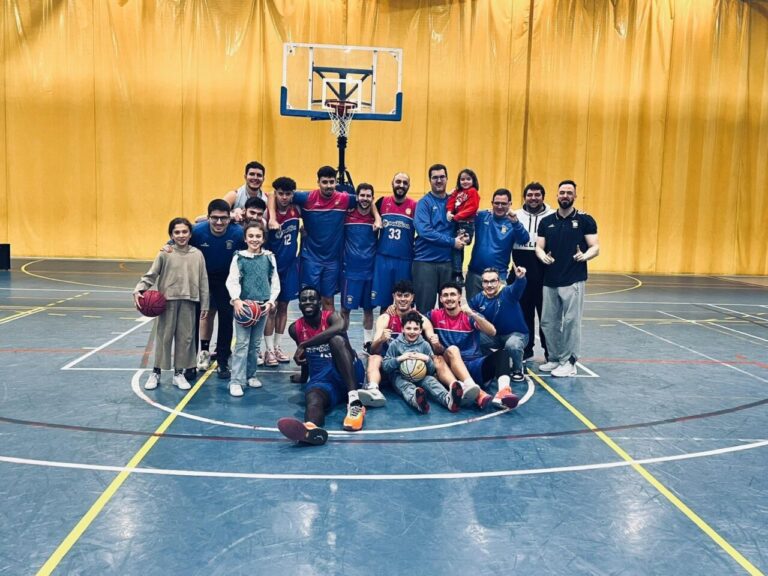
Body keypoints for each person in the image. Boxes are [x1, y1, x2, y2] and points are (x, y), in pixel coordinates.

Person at [268, 166, 380, 311]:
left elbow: (366, 200)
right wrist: (272, 218)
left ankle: (329, 333)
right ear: (318, 182)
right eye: (325, 182)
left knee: (328, 301)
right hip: (310, 259)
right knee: (309, 300)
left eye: (331, 182)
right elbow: (272, 194)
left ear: (335, 183)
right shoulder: (306, 198)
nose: (328, 186)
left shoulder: (344, 199)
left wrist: (377, 218)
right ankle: (309, 333)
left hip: (332, 261)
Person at [277, 286, 367, 446]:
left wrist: (305, 343)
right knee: (312, 398)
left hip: (348, 373)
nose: (307, 302)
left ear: (319, 302)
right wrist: (303, 378)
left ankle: (354, 402)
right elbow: (304, 358)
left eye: (312, 299)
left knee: (336, 340)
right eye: (303, 300)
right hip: (322, 379)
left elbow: (339, 328)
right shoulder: (295, 329)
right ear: (299, 305)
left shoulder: (332, 317)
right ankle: (310, 429)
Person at [134, 218, 209, 390]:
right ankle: (156, 372)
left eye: (184, 232)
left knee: (186, 339)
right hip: (166, 303)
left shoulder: (197, 254)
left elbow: (204, 281)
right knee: (163, 338)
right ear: (171, 235)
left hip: (189, 302)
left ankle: (178, 374)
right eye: (177, 232)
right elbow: (151, 275)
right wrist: (139, 289)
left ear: (190, 234)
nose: (181, 235)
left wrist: (205, 304)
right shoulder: (164, 253)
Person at [535, 180, 599, 377]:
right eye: (562, 192)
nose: (565, 196)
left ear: (575, 196)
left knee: (571, 321)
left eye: (569, 193)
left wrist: (584, 255)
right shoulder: (546, 222)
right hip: (550, 280)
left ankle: (569, 362)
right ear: (557, 195)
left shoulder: (585, 220)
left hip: (573, 279)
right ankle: (554, 358)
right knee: (547, 322)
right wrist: (542, 255)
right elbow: (539, 246)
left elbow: (595, 247)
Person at [429, 282, 520, 410]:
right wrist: (394, 307)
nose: (449, 298)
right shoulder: (435, 315)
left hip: (474, 365)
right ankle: (474, 389)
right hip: (450, 368)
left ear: (460, 296)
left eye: (453, 294)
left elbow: (492, 331)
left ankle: (503, 392)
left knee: (502, 354)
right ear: (441, 299)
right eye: (445, 295)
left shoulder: (470, 315)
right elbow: (416, 319)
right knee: (452, 350)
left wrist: (473, 315)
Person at [359, 279, 441, 408]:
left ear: (412, 297)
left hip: (414, 366)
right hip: (389, 366)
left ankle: (447, 392)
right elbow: (373, 350)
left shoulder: (422, 320)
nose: (403, 299)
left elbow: (436, 349)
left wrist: (435, 343)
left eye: (406, 295)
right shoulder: (385, 318)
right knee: (374, 358)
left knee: (438, 359)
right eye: (399, 295)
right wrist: (380, 339)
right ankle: (374, 389)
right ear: (393, 297)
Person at [190, 199, 245, 380]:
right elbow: (176, 241)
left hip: (227, 280)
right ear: (207, 218)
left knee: (226, 319)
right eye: (215, 218)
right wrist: (167, 247)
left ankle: (222, 360)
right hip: (202, 279)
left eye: (223, 218)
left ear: (230, 218)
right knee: (198, 318)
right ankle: (196, 358)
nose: (219, 223)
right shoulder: (197, 232)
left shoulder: (238, 233)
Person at [225, 222, 281, 397]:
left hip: (262, 307)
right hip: (244, 307)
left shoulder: (269, 257)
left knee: (255, 345)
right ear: (245, 238)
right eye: (251, 236)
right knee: (241, 344)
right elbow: (232, 281)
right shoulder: (239, 257)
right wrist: (236, 300)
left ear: (263, 238)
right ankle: (236, 381)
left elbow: (275, 281)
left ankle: (251, 375)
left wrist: (271, 301)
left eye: (258, 236)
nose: (254, 239)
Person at [412, 164, 469, 312]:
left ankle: (446, 336)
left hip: (448, 263)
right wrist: (452, 242)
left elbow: (465, 220)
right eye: (435, 177)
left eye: (442, 177)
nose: (439, 180)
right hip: (425, 263)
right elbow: (425, 231)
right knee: (425, 309)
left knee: (449, 310)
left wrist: (465, 235)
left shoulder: (455, 202)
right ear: (429, 180)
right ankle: (424, 336)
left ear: (447, 179)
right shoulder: (424, 203)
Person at [382, 311, 463, 413]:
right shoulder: (395, 344)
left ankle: (448, 400)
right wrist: (399, 359)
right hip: (400, 376)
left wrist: (427, 359)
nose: (412, 331)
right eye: (408, 328)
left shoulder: (424, 345)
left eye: (416, 329)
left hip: (421, 375)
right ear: (402, 329)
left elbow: (431, 371)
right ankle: (417, 401)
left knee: (431, 381)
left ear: (421, 330)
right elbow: (385, 366)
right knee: (406, 387)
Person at [513, 182, 555, 362]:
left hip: (545, 275)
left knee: (547, 317)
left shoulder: (553, 216)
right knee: (524, 315)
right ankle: (526, 349)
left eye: (537, 194)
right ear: (525, 196)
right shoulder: (515, 215)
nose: (533, 198)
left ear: (543, 197)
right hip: (521, 273)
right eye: (530, 194)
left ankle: (550, 352)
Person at [262, 177, 301, 366]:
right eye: (281, 193)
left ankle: (277, 346)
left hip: (289, 266)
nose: (284, 197)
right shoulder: (267, 213)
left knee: (284, 307)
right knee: (271, 309)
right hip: (271, 269)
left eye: (288, 193)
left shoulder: (296, 209)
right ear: (275, 193)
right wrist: (272, 216)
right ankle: (268, 350)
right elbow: (268, 195)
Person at [469, 267, 529, 389]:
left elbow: (518, 287)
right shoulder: (478, 299)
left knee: (512, 345)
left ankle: (518, 369)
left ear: (499, 281)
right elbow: (469, 317)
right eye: (486, 282)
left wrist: (520, 278)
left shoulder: (508, 293)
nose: (489, 285)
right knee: (472, 338)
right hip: (494, 337)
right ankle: (497, 358)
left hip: (516, 335)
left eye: (493, 281)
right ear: (482, 283)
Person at [465, 188, 530, 301]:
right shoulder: (482, 216)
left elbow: (524, 239)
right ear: (492, 203)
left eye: (504, 203)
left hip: (498, 277)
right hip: (475, 275)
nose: (500, 206)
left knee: (496, 314)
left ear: (510, 204)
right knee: (472, 313)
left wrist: (515, 222)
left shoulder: (513, 223)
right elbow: (464, 213)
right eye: (497, 203)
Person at [371, 172, 416, 309]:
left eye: (404, 182)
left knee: (404, 302)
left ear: (409, 186)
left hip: (405, 260)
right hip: (383, 258)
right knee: (384, 303)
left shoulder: (415, 206)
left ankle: (404, 330)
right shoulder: (382, 202)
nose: (401, 185)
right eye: (398, 181)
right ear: (392, 183)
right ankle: (384, 330)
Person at [341, 183, 377, 348]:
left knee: (368, 310)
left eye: (368, 196)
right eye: (362, 195)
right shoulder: (347, 216)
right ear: (357, 196)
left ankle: (367, 342)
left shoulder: (377, 217)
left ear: (372, 198)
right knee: (345, 310)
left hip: (370, 271)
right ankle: (343, 341)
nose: (365, 199)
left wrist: (377, 216)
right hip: (350, 272)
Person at [446, 168, 480, 284]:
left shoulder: (473, 192)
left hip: (466, 223)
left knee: (457, 246)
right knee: (456, 248)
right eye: (462, 179)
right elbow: (450, 201)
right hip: (457, 221)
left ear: (473, 180)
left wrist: (457, 216)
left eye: (468, 179)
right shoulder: (457, 192)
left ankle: (458, 274)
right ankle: (456, 272)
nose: (465, 181)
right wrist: (449, 211)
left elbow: (472, 208)